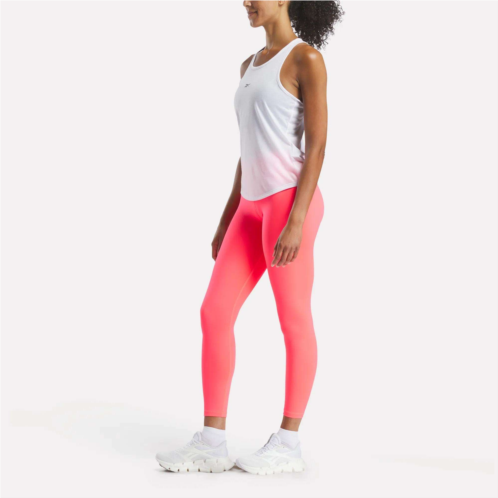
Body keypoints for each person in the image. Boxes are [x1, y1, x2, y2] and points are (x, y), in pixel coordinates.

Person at [156, 0, 343, 475]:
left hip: (288, 204)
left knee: (293, 319)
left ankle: (288, 442)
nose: (246, 2)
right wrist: (226, 218)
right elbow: (249, 148)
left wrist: (297, 219)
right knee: (214, 313)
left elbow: (318, 145)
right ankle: (211, 442)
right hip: (249, 207)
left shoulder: (306, 59)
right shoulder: (249, 65)